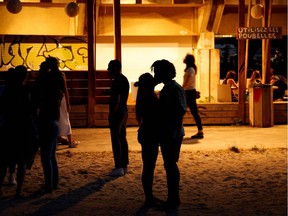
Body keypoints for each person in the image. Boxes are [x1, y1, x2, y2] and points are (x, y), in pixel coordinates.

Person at [151, 59, 186, 211]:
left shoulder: (173, 89)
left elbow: (180, 110)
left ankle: (173, 199)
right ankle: (173, 198)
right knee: (169, 165)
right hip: (170, 131)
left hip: (172, 132)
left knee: (170, 165)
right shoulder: (169, 88)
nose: (155, 75)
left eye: (157, 72)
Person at [0, 66, 35, 197]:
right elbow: (32, 111)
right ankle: (19, 190)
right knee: (21, 162)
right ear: (24, 76)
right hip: (23, 129)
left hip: (9, 128)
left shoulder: (7, 91)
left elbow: (2, 109)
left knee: (4, 161)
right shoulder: (26, 91)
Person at [36, 57, 65, 194]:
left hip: (46, 120)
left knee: (46, 156)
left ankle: (49, 184)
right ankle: (54, 182)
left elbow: (37, 88)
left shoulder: (45, 86)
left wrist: (41, 73)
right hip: (54, 120)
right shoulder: (57, 89)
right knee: (52, 155)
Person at [134, 73, 162, 208]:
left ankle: (149, 196)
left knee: (148, 167)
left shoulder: (141, 98)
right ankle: (149, 198)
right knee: (149, 167)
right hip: (150, 133)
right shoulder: (151, 99)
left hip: (144, 132)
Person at [107, 59, 130, 177]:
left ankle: (119, 166)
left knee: (116, 139)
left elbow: (117, 99)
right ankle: (124, 165)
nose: (108, 70)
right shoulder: (124, 79)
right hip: (124, 111)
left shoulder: (117, 81)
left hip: (118, 113)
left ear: (115, 68)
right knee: (122, 138)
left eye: (109, 67)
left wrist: (111, 113)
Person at [182, 54, 204, 139]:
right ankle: (200, 131)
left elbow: (186, 82)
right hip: (189, 91)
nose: (184, 59)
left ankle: (200, 131)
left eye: (185, 58)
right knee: (193, 112)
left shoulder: (190, 70)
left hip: (189, 92)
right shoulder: (191, 69)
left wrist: (181, 89)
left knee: (183, 111)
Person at [57, 72, 79, 148]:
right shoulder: (61, 75)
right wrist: (68, 103)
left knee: (57, 119)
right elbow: (65, 89)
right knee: (65, 118)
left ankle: (58, 138)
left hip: (52, 99)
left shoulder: (48, 75)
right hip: (61, 99)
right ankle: (70, 141)